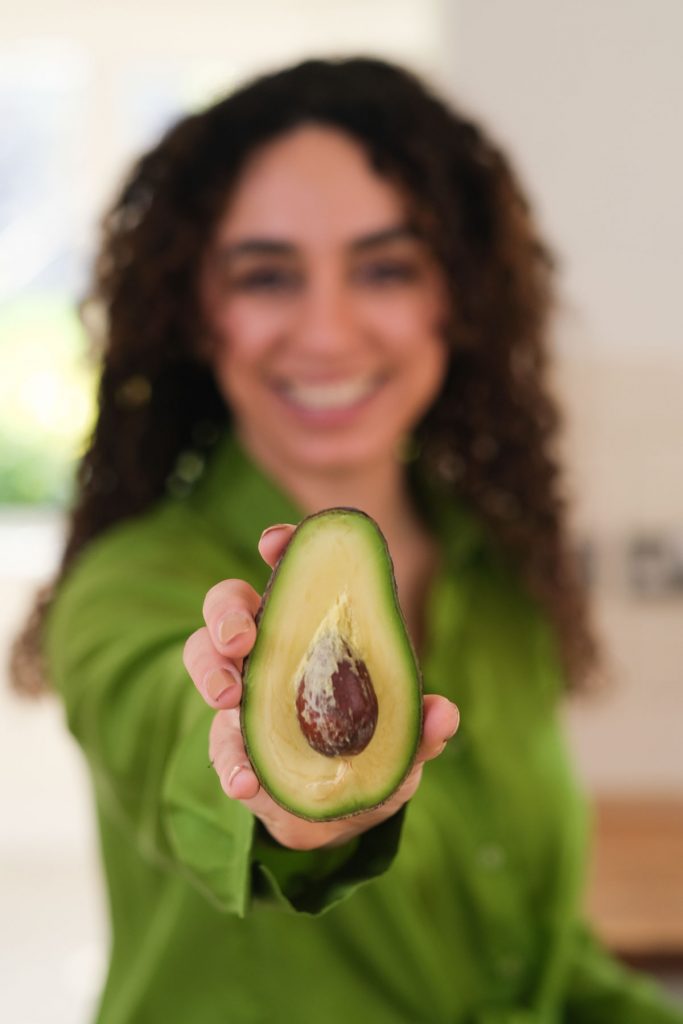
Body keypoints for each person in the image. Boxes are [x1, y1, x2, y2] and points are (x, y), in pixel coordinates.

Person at [12, 56, 682, 1023]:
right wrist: (278, 796)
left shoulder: (499, 578)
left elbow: (533, 965)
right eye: (266, 274)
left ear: (456, 299)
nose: (326, 332)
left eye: (385, 267)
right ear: (199, 316)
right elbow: (167, 719)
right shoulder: (129, 586)